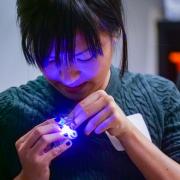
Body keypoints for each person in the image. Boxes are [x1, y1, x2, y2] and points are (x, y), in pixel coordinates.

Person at [0, 0, 180, 179]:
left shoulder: (161, 96)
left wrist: (128, 132)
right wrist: (28, 176)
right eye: (52, 59)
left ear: (115, 31)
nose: (69, 78)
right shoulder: (9, 111)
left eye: (84, 57)